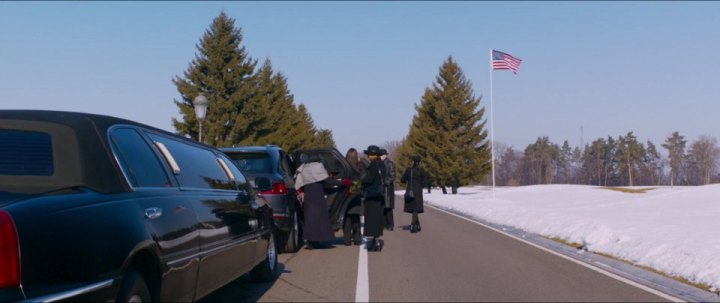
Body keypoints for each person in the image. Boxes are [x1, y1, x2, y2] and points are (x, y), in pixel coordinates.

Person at [294, 154, 343, 249]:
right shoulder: (317, 167)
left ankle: (311, 241)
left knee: (310, 218)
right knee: (319, 218)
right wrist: (342, 182)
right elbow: (327, 181)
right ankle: (314, 241)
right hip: (317, 195)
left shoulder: (304, 167)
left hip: (308, 195)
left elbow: (300, 183)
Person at [362, 145, 387, 251]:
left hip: (372, 195)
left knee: (371, 218)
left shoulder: (373, 165)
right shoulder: (382, 164)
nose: (369, 156)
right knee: (378, 218)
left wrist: (363, 180)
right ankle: (377, 239)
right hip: (380, 195)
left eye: (370, 154)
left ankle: (374, 241)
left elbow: (369, 179)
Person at [343, 148, 364, 246]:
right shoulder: (359, 167)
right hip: (357, 193)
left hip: (346, 194)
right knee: (356, 217)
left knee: (347, 218)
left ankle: (347, 239)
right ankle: (357, 239)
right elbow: (363, 178)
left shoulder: (344, 168)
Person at [401, 155, 426, 233]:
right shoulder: (421, 171)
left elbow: (402, 180)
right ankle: (415, 225)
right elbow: (425, 182)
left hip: (410, 190)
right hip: (418, 191)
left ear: (413, 161)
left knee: (413, 209)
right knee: (416, 209)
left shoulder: (409, 170)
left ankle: (414, 225)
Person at [380, 149, 396, 231]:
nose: (381, 156)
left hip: (388, 188)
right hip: (381, 188)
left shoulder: (390, 164)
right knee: (382, 207)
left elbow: (392, 176)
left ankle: (390, 224)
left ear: (385, 155)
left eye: (382, 155)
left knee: (388, 207)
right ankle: (384, 224)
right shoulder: (379, 164)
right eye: (380, 155)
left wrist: (385, 182)